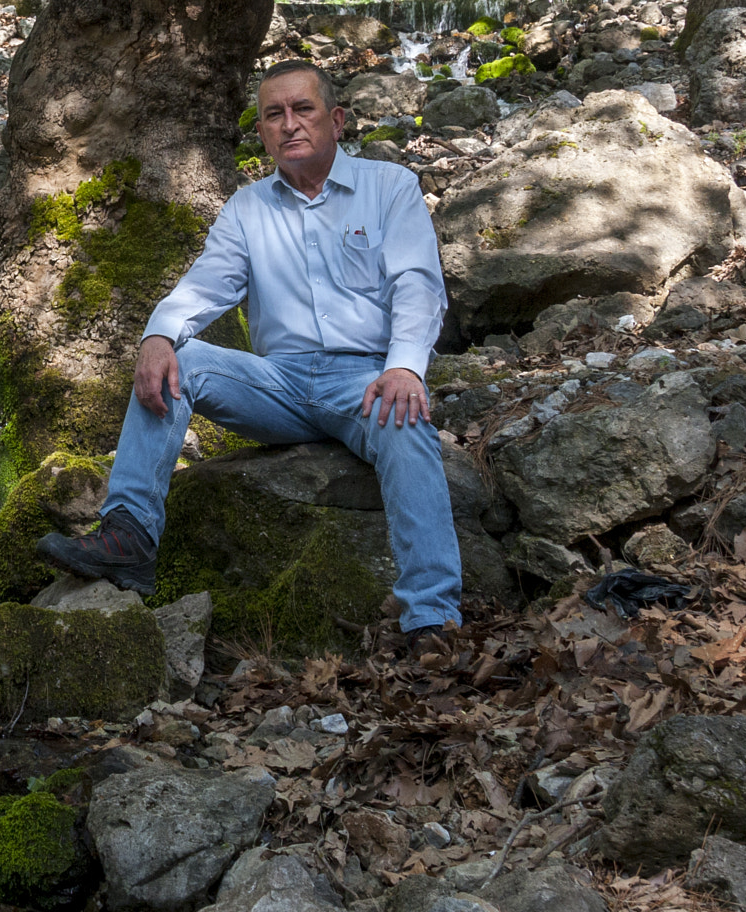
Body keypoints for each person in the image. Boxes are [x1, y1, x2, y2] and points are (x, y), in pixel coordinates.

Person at [35, 59, 461, 655]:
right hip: (278, 385)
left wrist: (405, 366)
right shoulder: (247, 208)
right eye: (273, 115)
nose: (290, 125)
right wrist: (157, 336)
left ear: (336, 120)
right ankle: (128, 536)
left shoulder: (389, 188)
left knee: (405, 423)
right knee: (177, 361)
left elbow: (419, 284)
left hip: (365, 379)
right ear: (261, 132)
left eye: (303, 109)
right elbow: (206, 284)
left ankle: (431, 618)